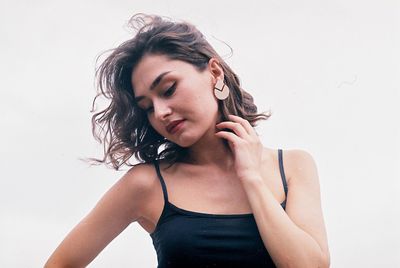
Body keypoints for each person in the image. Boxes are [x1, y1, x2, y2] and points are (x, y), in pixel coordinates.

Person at [45, 13, 330, 268]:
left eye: (168, 89)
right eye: (147, 107)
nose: (160, 112)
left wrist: (252, 178)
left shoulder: (292, 166)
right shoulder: (147, 184)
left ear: (214, 73)